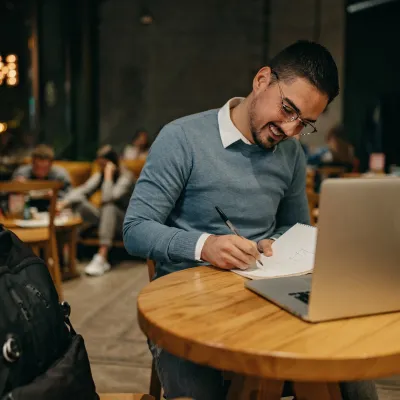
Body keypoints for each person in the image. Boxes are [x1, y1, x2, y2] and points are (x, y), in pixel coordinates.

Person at [123, 41, 378, 399]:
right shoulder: (182, 138)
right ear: (261, 80)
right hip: (185, 308)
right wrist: (205, 245)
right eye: (288, 109)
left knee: (352, 373)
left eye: (305, 124)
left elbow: (296, 230)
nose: (290, 130)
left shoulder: (290, 152)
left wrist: (280, 243)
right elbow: (135, 230)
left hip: (265, 299)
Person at [58, 145, 135, 276]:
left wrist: (108, 176)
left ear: (113, 163)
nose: (101, 168)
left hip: (126, 223)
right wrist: (63, 203)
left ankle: (102, 257)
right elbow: (84, 189)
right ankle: (70, 252)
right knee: (79, 203)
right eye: (100, 165)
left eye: (104, 165)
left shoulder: (126, 177)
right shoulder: (101, 174)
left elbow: (108, 197)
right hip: (106, 221)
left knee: (109, 206)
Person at [12, 144, 72, 211]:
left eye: (45, 168)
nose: (40, 172)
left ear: (51, 165)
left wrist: (55, 195)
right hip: (27, 209)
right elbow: (7, 194)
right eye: (37, 167)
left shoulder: (60, 175)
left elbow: (69, 195)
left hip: (52, 211)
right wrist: (16, 188)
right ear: (32, 163)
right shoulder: (21, 173)